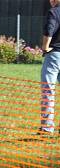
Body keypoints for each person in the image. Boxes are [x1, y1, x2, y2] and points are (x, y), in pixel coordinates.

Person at [40, 0, 60, 135]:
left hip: (55, 55)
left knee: (48, 90)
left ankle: (47, 128)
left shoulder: (54, 12)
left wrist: (45, 47)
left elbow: (49, 29)